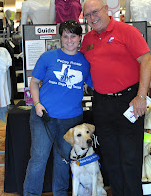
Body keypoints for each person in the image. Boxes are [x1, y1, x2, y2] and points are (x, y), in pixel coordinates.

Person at [80, 0, 151, 196]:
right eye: (87, 15)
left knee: (130, 157)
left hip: (128, 100)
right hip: (102, 102)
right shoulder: (88, 39)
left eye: (95, 12)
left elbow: (146, 60)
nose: (92, 18)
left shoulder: (127, 31)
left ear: (106, 9)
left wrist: (141, 96)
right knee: (111, 157)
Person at [23, 20, 93, 196]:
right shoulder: (48, 57)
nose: (69, 40)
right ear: (60, 38)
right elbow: (34, 83)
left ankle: (60, 193)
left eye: (73, 36)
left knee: (63, 160)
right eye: (66, 36)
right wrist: (37, 104)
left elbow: (96, 84)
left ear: (79, 38)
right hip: (43, 117)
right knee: (39, 159)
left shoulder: (85, 62)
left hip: (71, 120)